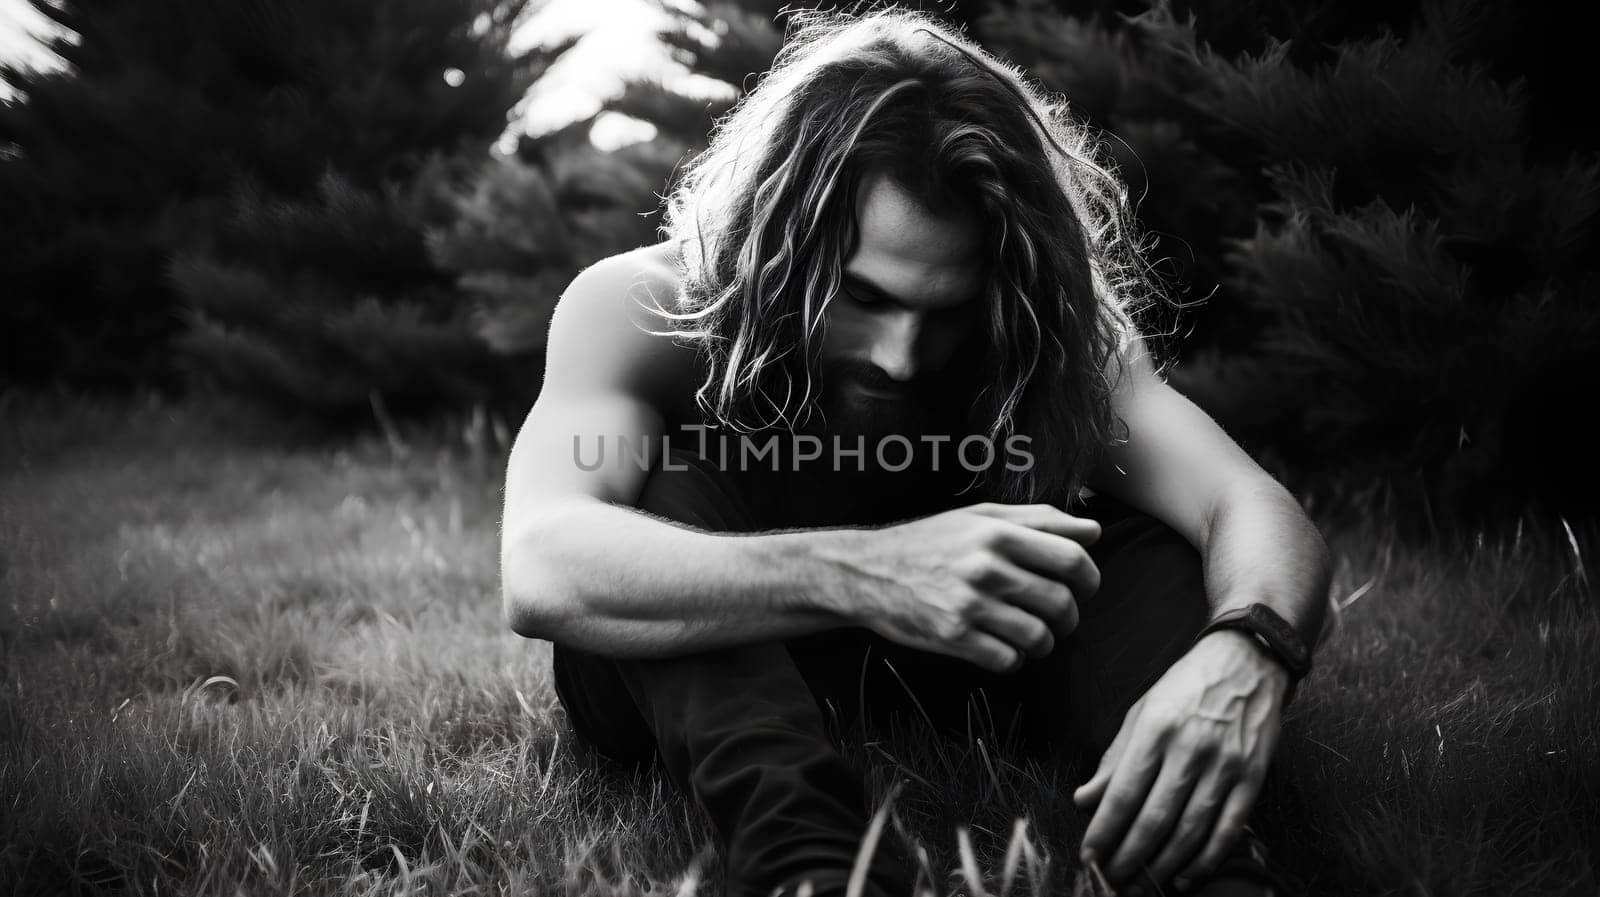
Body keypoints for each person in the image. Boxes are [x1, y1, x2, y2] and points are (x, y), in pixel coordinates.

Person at [500, 8, 1330, 897]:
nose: (900, 353)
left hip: (968, 666)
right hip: (698, 682)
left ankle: (1198, 861)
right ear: (781, 241)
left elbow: (1246, 504)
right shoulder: (646, 307)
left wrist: (1249, 652)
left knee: (1134, 540)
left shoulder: (1049, 329)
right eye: (862, 294)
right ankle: (815, 870)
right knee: (659, 495)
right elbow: (542, 564)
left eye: (947, 308)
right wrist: (869, 570)